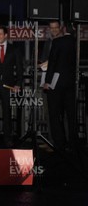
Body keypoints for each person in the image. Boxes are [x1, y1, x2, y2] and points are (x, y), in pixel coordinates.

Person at [42, 21, 78, 151]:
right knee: (70, 114)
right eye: (51, 28)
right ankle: (71, 143)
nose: (54, 30)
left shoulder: (58, 42)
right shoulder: (74, 41)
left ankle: (59, 143)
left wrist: (47, 81)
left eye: (56, 28)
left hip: (56, 83)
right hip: (71, 83)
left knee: (55, 114)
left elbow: (51, 64)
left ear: (62, 28)